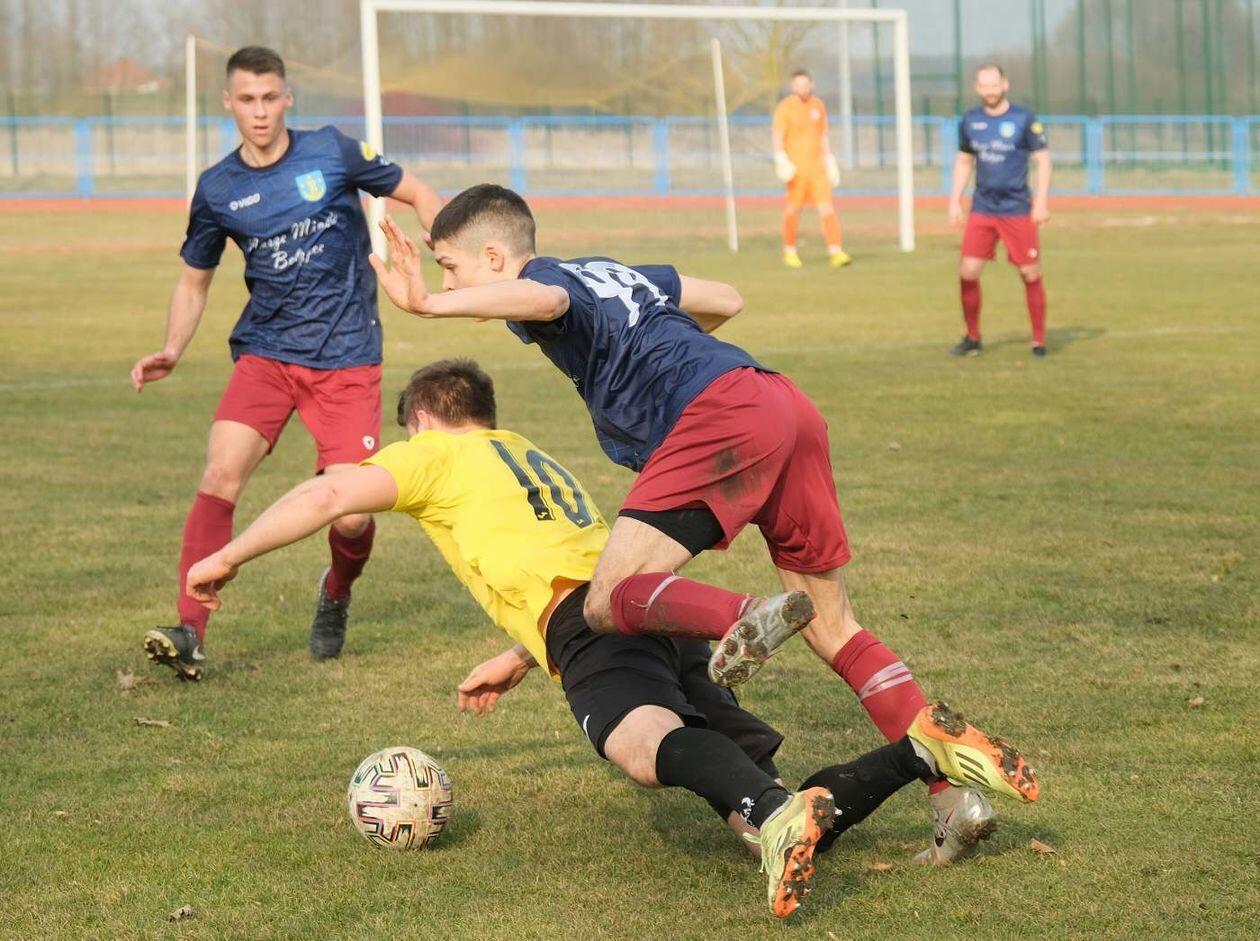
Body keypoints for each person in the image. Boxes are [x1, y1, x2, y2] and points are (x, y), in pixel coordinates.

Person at [184, 359, 1041, 919]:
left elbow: (328, 493)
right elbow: (583, 563)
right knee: (763, 812)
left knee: (641, 745)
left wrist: (227, 554)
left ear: (424, 420)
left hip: (589, 632)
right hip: (639, 612)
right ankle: (921, 751)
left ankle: (782, 794)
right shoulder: (525, 453)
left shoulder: (434, 456)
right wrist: (518, 655)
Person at [367, 184, 1010, 864]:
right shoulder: (616, 275)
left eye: (450, 267)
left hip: (719, 413)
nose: (447, 282)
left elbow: (545, 299)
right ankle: (953, 797)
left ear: (495, 257)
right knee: (834, 625)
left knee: (609, 598)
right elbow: (726, 299)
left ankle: (748, 614)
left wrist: (427, 305)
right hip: (780, 400)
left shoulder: (548, 282)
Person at [130, 45, 442, 681]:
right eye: (247, 99)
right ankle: (189, 632)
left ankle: (337, 589)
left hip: (347, 356)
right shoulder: (218, 188)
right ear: (229, 103)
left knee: (352, 514)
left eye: (270, 98)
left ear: (287, 98)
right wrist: (172, 349)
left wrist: (445, 247)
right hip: (267, 354)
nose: (260, 111)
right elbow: (193, 281)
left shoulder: (331, 151)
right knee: (220, 472)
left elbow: (417, 190)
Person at [948, 64, 1052, 357]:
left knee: (1029, 272)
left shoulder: (1024, 118)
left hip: (1017, 208)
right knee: (968, 270)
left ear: (1005, 85)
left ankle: (1038, 340)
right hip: (983, 207)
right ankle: (972, 337)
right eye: (985, 86)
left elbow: (1043, 160)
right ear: (977, 87)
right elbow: (964, 161)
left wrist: (1041, 202)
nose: (990, 91)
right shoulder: (970, 120)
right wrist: (954, 200)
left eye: (995, 85)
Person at [772, 69, 850, 269]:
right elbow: (778, 135)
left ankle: (836, 251)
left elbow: (822, 135)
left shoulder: (818, 106)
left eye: (805, 84)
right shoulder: (785, 107)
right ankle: (790, 251)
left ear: (811, 84)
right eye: (798, 85)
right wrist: (780, 158)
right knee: (793, 209)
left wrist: (829, 159)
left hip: (817, 169)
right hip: (796, 170)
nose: (802, 88)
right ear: (792, 86)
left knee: (827, 208)